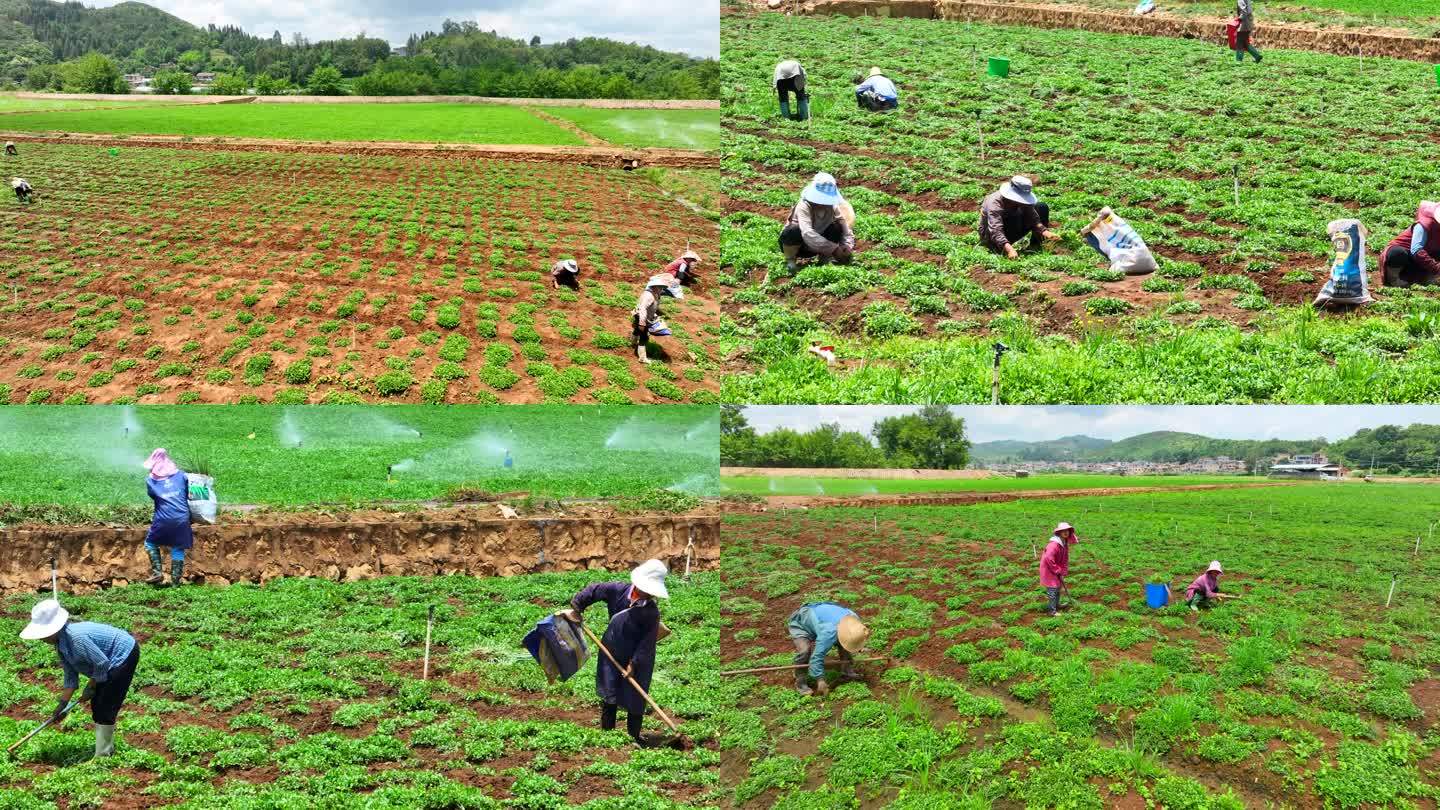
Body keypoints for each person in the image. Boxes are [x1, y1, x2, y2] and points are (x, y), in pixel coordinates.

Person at [559, 559, 670, 745]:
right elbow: (594, 590)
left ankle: (634, 736)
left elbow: (647, 643)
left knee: (636, 694)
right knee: (609, 691)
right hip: (611, 648)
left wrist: (634, 664)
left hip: (638, 656)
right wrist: (577, 607)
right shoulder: (617, 590)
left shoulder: (651, 612)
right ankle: (608, 734)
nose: (649, 594)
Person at [20, 599, 140, 759]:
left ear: (53, 630)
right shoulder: (61, 644)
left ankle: (104, 754)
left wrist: (91, 685)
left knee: (104, 704)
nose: (41, 638)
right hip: (106, 662)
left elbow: (102, 662)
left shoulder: (76, 638)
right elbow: (70, 674)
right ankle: (104, 749)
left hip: (122, 654)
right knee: (98, 704)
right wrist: (63, 704)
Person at [787, 602, 870, 696]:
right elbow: (817, 656)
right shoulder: (829, 632)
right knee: (805, 651)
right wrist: (820, 680)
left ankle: (847, 672)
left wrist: (856, 646)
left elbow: (852, 637)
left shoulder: (853, 620)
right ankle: (800, 683)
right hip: (801, 623)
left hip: (820, 619)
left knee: (845, 645)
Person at [779, 172, 856, 272]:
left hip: (818, 247)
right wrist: (834, 249)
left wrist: (847, 245)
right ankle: (791, 261)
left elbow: (844, 227)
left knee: (836, 227)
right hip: (799, 246)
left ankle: (825, 259)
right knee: (793, 230)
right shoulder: (804, 205)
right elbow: (807, 233)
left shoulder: (832, 206)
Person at [142, 448, 192, 587]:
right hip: (182, 517)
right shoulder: (182, 476)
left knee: (150, 544)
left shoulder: (150, 481)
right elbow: (188, 493)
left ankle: (157, 572)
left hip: (163, 518)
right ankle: (176, 583)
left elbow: (153, 496)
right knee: (178, 547)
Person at [980, 176, 1059, 259]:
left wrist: (1046, 233)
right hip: (992, 236)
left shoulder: (1021, 202)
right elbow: (996, 230)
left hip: (1012, 226)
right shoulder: (994, 203)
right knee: (1009, 223)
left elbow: (1033, 217)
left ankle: (1035, 246)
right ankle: (1001, 248)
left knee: (1041, 207)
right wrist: (1009, 250)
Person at [1382, 201, 1440, 288]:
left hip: (1420, 261)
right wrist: (1436, 268)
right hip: (1407, 256)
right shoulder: (1424, 225)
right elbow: (1416, 250)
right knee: (1397, 253)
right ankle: (1393, 278)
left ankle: (1426, 277)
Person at [632, 274, 682, 365]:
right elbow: (643, 309)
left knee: (637, 330)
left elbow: (653, 307)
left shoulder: (655, 294)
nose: (662, 289)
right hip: (641, 316)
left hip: (643, 316)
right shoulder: (649, 296)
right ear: (655, 287)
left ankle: (632, 342)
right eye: (660, 287)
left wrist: (657, 314)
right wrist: (642, 323)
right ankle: (642, 358)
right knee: (644, 337)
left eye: (662, 287)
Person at [1039, 522, 1078, 616]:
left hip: (1057, 568)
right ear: (1059, 532)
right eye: (1063, 531)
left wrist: (1063, 570)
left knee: (1058, 588)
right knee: (1052, 589)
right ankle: (1051, 611)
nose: (1065, 532)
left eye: (1067, 531)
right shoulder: (1054, 545)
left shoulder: (1064, 543)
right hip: (1049, 568)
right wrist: (1056, 569)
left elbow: (1065, 558)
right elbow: (1048, 558)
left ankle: (1056, 605)